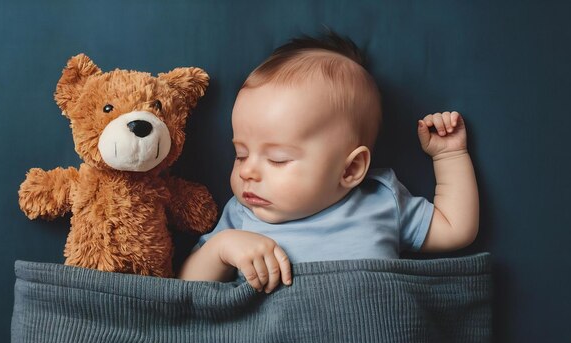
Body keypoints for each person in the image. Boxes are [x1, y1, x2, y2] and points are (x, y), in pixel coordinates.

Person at [178, 32, 479, 294]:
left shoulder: (381, 200)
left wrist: (449, 156)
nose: (246, 171)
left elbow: (456, 230)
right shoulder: (243, 217)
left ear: (350, 169)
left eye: (277, 159)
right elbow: (185, 292)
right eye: (240, 153)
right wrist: (221, 249)